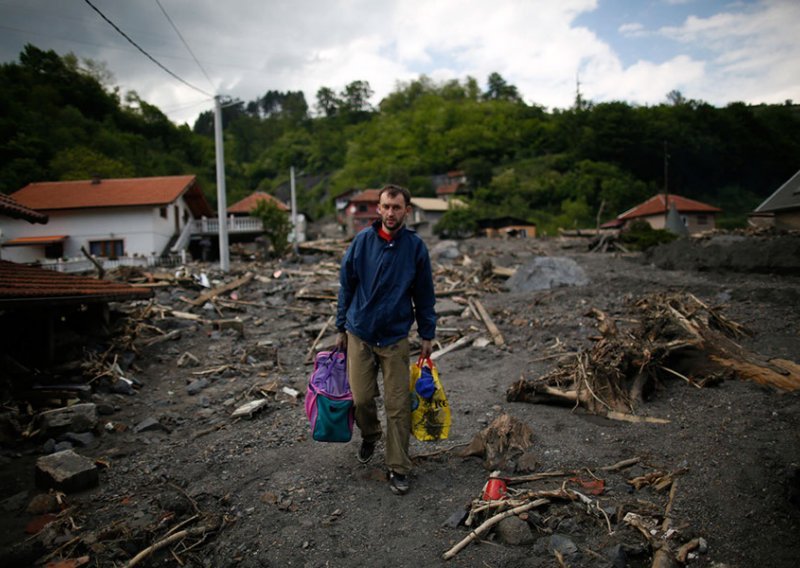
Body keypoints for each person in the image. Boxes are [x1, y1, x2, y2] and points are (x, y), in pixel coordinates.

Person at [335, 184, 436, 495]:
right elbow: (346, 284)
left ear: (406, 210)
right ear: (378, 209)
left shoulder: (415, 248)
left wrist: (427, 332)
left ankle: (398, 467)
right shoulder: (362, 242)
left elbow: (424, 294)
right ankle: (370, 434)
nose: (391, 213)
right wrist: (341, 326)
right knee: (361, 399)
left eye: (397, 207)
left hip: (394, 337)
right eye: (386, 207)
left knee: (397, 405)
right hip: (360, 333)